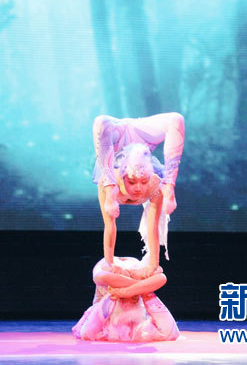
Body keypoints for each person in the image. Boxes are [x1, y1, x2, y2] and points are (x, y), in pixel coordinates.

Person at [72, 113, 185, 342]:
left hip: (121, 141)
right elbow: (110, 226)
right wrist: (138, 281)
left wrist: (119, 270)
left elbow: (152, 228)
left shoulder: (151, 183)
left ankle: (170, 185)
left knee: (101, 275)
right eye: (133, 182)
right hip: (126, 150)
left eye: (142, 182)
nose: (138, 188)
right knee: (157, 278)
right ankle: (169, 185)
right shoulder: (115, 184)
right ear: (124, 177)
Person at [72, 255, 179, 341]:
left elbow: (87, 334)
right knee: (161, 278)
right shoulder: (140, 331)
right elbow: (170, 334)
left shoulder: (105, 327)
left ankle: (134, 288)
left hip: (112, 278)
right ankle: (137, 286)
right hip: (134, 277)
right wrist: (145, 292)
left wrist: (116, 295)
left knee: (101, 277)